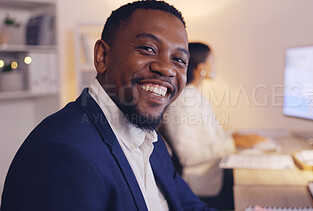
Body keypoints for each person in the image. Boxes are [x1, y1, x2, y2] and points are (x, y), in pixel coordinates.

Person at [1, 1, 216, 211]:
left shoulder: (150, 139)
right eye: (148, 48)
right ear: (102, 56)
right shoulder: (62, 153)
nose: (166, 69)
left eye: (179, 60)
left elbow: (188, 205)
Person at [159, 42, 267, 210]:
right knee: (258, 192)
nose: (216, 65)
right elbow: (189, 156)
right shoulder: (184, 101)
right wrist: (232, 142)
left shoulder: (195, 94)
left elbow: (208, 137)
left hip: (214, 173)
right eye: (213, 60)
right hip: (202, 186)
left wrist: (235, 136)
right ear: (201, 67)